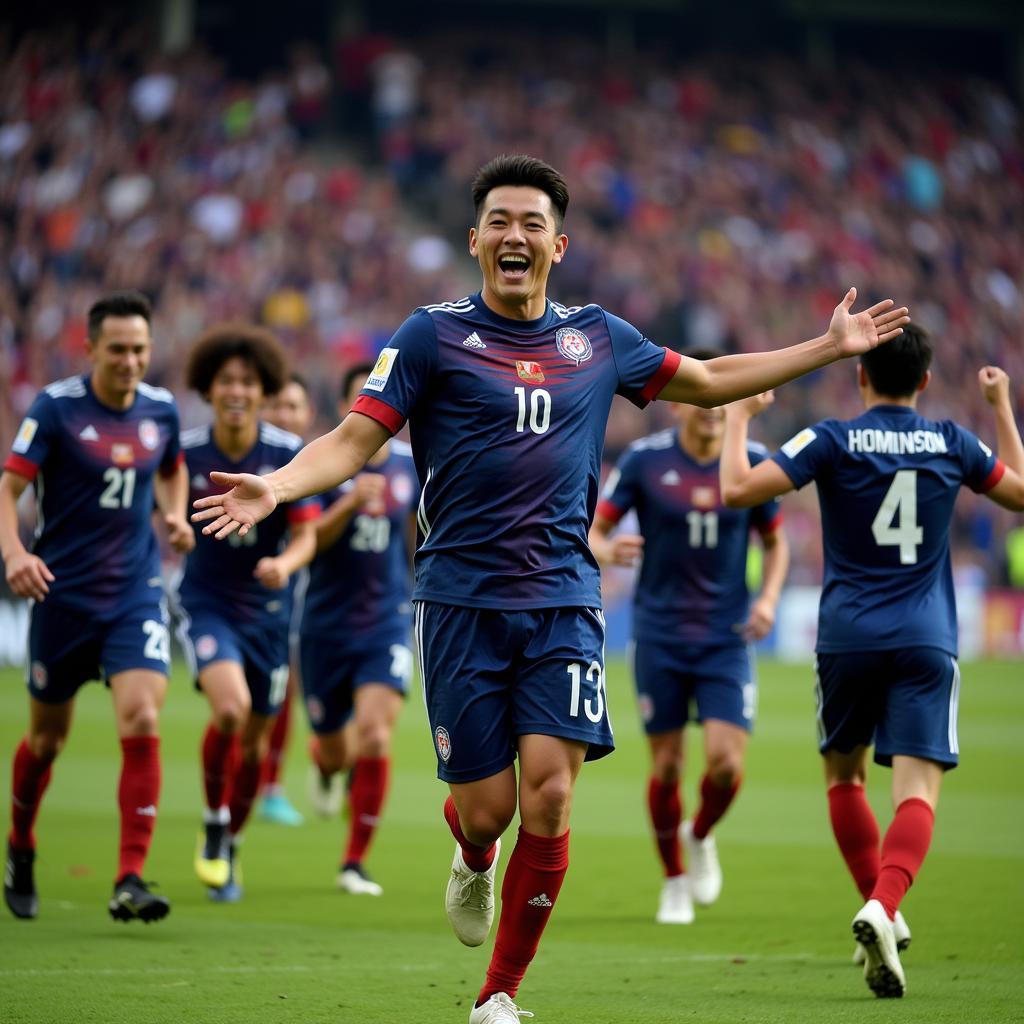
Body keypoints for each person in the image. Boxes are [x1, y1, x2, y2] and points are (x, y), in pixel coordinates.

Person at [190, 154, 908, 1023]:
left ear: (558, 243)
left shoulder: (599, 337)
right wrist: (280, 485)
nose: (515, 235)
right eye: (499, 221)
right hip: (458, 602)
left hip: (565, 600)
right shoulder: (428, 335)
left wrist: (826, 348)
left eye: (532, 223)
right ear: (475, 239)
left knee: (554, 794)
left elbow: (710, 379)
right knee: (488, 814)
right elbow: (352, 440)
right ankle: (472, 856)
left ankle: (497, 996)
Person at [719, 325, 1024, 999]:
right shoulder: (952, 440)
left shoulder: (831, 439)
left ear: (860, 377)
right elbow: (1021, 493)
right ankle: (883, 906)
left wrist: (739, 416)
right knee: (916, 790)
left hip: (847, 637)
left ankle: (879, 907)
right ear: (924, 381)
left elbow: (738, 488)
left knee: (844, 778)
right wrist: (1001, 405)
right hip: (926, 635)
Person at [1, 290, 192, 923]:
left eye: (140, 349)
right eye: (118, 349)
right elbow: (10, 487)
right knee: (47, 741)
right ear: (90, 348)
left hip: (133, 595)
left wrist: (172, 515)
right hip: (60, 596)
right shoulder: (56, 409)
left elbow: (171, 469)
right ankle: (21, 845)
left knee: (141, 716)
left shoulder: (161, 411)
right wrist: (14, 554)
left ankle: (130, 876)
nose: (131, 360)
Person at [589, 347, 789, 925]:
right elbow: (596, 531)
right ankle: (674, 880)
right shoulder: (646, 462)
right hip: (659, 633)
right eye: (701, 402)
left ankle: (699, 834)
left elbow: (776, 542)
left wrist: (770, 598)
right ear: (677, 406)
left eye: (721, 402)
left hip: (726, 636)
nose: (710, 410)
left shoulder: (751, 459)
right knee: (668, 766)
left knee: (726, 764)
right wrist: (608, 549)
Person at [175, 325, 318, 902]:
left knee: (256, 744)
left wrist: (285, 564)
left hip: (269, 611)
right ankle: (213, 823)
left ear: (264, 391)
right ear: (208, 389)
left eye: (248, 382)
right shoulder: (183, 453)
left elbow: (306, 536)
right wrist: (172, 535)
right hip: (207, 603)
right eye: (226, 381)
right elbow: (159, 516)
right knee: (230, 711)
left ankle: (231, 840)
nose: (237, 390)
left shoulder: (287, 454)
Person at [300, 362, 418, 895]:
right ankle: (325, 769)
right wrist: (349, 502)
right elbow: (310, 545)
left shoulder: (414, 469)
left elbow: (420, 539)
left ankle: (354, 861)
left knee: (374, 734)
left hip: (386, 621)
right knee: (336, 751)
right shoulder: (324, 465)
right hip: (325, 625)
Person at [255, 372, 316, 828]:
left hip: (305, 597)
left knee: (286, 690)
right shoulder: (250, 465)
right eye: (276, 406)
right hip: (244, 598)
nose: (284, 415)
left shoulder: (318, 466)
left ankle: (270, 783)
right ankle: (252, 782)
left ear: (307, 414)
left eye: (293, 407)